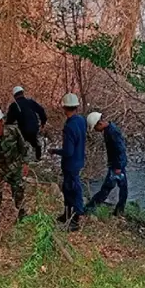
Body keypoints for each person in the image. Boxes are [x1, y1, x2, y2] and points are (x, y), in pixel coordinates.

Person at [49, 93, 86, 231]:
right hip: (79, 161)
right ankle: (67, 215)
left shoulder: (69, 126)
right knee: (68, 189)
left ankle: (74, 222)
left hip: (70, 165)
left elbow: (68, 151)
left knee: (72, 191)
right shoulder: (81, 120)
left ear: (64, 107)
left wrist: (55, 151)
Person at [0, 107, 27, 221]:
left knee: (19, 191)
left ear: (1, 122)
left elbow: (24, 147)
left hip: (14, 166)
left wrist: (25, 163)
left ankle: (22, 215)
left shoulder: (13, 131)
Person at [84, 112, 128, 216]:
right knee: (120, 189)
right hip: (116, 165)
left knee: (109, 189)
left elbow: (120, 149)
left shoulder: (112, 132)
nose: (95, 130)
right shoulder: (109, 130)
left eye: (95, 127)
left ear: (99, 123)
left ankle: (90, 208)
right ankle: (118, 211)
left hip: (116, 166)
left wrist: (118, 167)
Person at [7, 86, 47, 160]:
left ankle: (23, 158)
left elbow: (9, 121)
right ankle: (38, 157)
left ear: (14, 96)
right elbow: (41, 110)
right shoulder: (30, 102)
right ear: (23, 93)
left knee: (21, 142)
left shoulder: (14, 106)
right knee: (34, 140)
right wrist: (43, 122)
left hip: (23, 129)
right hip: (35, 126)